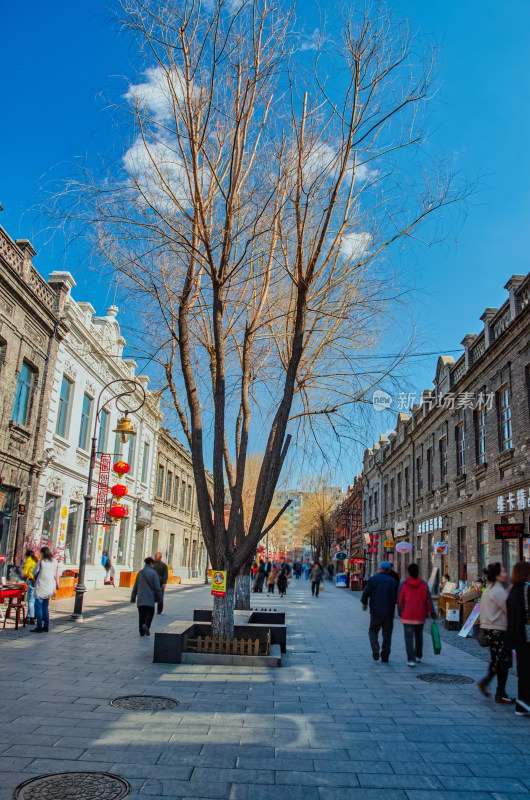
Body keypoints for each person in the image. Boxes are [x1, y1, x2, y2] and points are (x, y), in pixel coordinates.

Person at [477, 562, 514, 704]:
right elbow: (509, 610)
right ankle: (492, 686)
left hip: (489, 628)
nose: (506, 574)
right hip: (498, 629)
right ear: (498, 576)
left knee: (498, 659)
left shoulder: (488, 589)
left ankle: (498, 690)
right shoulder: (498, 591)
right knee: (501, 661)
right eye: (503, 572)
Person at [398, 563, 437, 667]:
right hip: (420, 614)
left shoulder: (404, 584)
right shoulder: (424, 584)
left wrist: (400, 611)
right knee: (419, 635)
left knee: (409, 637)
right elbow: (428, 600)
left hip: (407, 614)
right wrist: (432, 612)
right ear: (418, 571)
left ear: (409, 572)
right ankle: (418, 655)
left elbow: (400, 599)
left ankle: (410, 659)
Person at [361, 561, 398, 662]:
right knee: (387, 634)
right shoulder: (393, 581)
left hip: (375, 611)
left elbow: (365, 593)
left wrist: (364, 603)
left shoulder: (373, 579)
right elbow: (396, 598)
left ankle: (375, 645)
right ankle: (385, 655)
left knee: (373, 630)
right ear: (388, 570)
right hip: (389, 611)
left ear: (379, 568)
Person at [507, 561, 530, 716]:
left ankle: (522, 704)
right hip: (526, 636)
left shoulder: (512, 591)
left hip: (516, 636)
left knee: (523, 669)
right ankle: (525, 701)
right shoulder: (526, 590)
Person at [131, 557, 163, 636]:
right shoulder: (153, 573)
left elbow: (135, 586)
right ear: (151, 564)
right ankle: (146, 625)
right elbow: (157, 587)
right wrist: (160, 599)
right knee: (150, 613)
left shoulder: (140, 573)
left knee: (141, 614)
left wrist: (133, 597)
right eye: (153, 564)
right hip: (150, 598)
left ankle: (141, 631)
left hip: (140, 599)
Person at [31, 547, 59, 633]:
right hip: (50, 587)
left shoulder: (41, 562)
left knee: (38, 607)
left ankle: (39, 626)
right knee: (45, 607)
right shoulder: (54, 562)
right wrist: (57, 585)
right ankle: (46, 626)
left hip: (41, 586)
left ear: (42, 553)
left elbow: (34, 572)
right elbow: (57, 574)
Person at [23, 549, 39, 625]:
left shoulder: (29, 559)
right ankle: (29, 616)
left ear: (27, 555)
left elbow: (25, 572)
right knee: (34, 600)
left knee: (30, 600)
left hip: (31, 581)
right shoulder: (37, 559)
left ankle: (31, 618)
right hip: (38, 582)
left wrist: (26, 575)